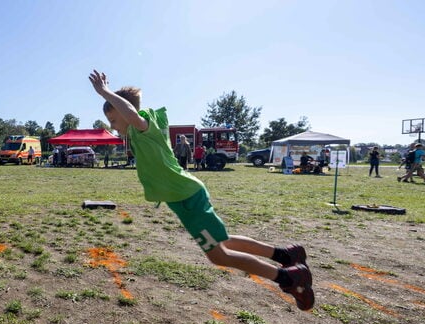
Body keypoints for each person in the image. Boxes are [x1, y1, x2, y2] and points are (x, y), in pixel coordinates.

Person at [88, 70, 313, 310]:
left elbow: (131, 114)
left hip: (187, 198)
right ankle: (285, 255)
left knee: (219, 255)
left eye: (113, 120)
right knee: (222, 241)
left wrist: (105, 92)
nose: (113, 127)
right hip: (183, 198)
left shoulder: (144, 126)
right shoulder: (136, 132)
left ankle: (290, 278)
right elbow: (128, 117)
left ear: (123, 111)